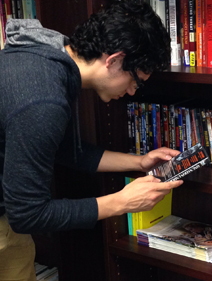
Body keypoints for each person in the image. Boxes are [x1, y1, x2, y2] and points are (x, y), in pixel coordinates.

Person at [0, 1, 184, 280]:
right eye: (137, 81)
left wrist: (140, 162)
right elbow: (28, 215)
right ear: (114, 60)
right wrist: (122, 201)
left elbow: (63, 149)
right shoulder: (43, 99)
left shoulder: (43, 58)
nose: (133, 92)